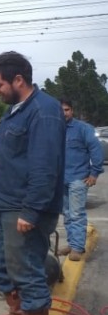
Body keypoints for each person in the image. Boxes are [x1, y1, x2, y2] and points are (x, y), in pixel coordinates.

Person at [0, 51, 65, 315]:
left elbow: (45, 167)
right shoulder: (17, 108)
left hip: (24, 207)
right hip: (3, 203)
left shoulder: (44, 110)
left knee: (26, 269)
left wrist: (31, 211)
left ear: (18, 79)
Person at [58, 99, 104, 261]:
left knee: (76, 213)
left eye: (67, 109)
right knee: (67, 213)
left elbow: (95, 150)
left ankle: (77, 248)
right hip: (60, 179)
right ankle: (71, 244)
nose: (64, 113)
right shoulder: (54, 129)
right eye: (61, 110)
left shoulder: (83, 129)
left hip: (78, 178)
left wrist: (94, 173)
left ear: (72, 111)